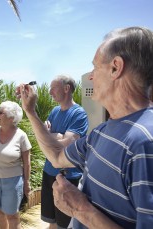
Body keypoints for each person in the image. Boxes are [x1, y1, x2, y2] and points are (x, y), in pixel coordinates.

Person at [17, 26, 153, 229]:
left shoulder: (145, 142)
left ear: (116, 67)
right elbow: (56, 155)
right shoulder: (101, 132)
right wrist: (30, 111)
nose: (90, 77)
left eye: (95, 67)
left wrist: (82, 211)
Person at [41, 75, 88, 229]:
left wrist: (50, 136)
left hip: (67, 177)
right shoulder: (55, 111)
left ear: (66, 88)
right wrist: (57, 136)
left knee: (65, 224)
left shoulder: (79, 113)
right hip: (49, 172)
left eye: (53, 88)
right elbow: (43, 137)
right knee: (52, 221)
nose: (50, 92)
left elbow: (67, 143)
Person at [0, 101, 32, 229]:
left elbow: (27, 163)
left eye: (1, 113)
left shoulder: (21, 136)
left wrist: (26, 182)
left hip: (13, 181)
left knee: (12, 216)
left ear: (11, 118)